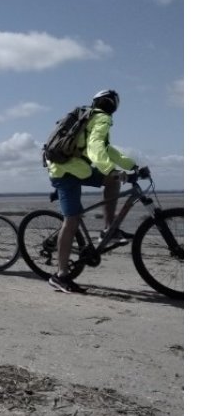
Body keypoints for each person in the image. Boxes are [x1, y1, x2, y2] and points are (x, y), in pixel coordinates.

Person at [46, 89, 139, 294]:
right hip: (65, 173)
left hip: (75, 169)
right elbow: (96, 147)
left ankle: (109, 229)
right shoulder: (102, 118)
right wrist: (111, 170)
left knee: (112, 182)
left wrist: (131, 165)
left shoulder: (90, 117)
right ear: (113, 105)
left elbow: (106, 149)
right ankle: (60, 276)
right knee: (72, 220)